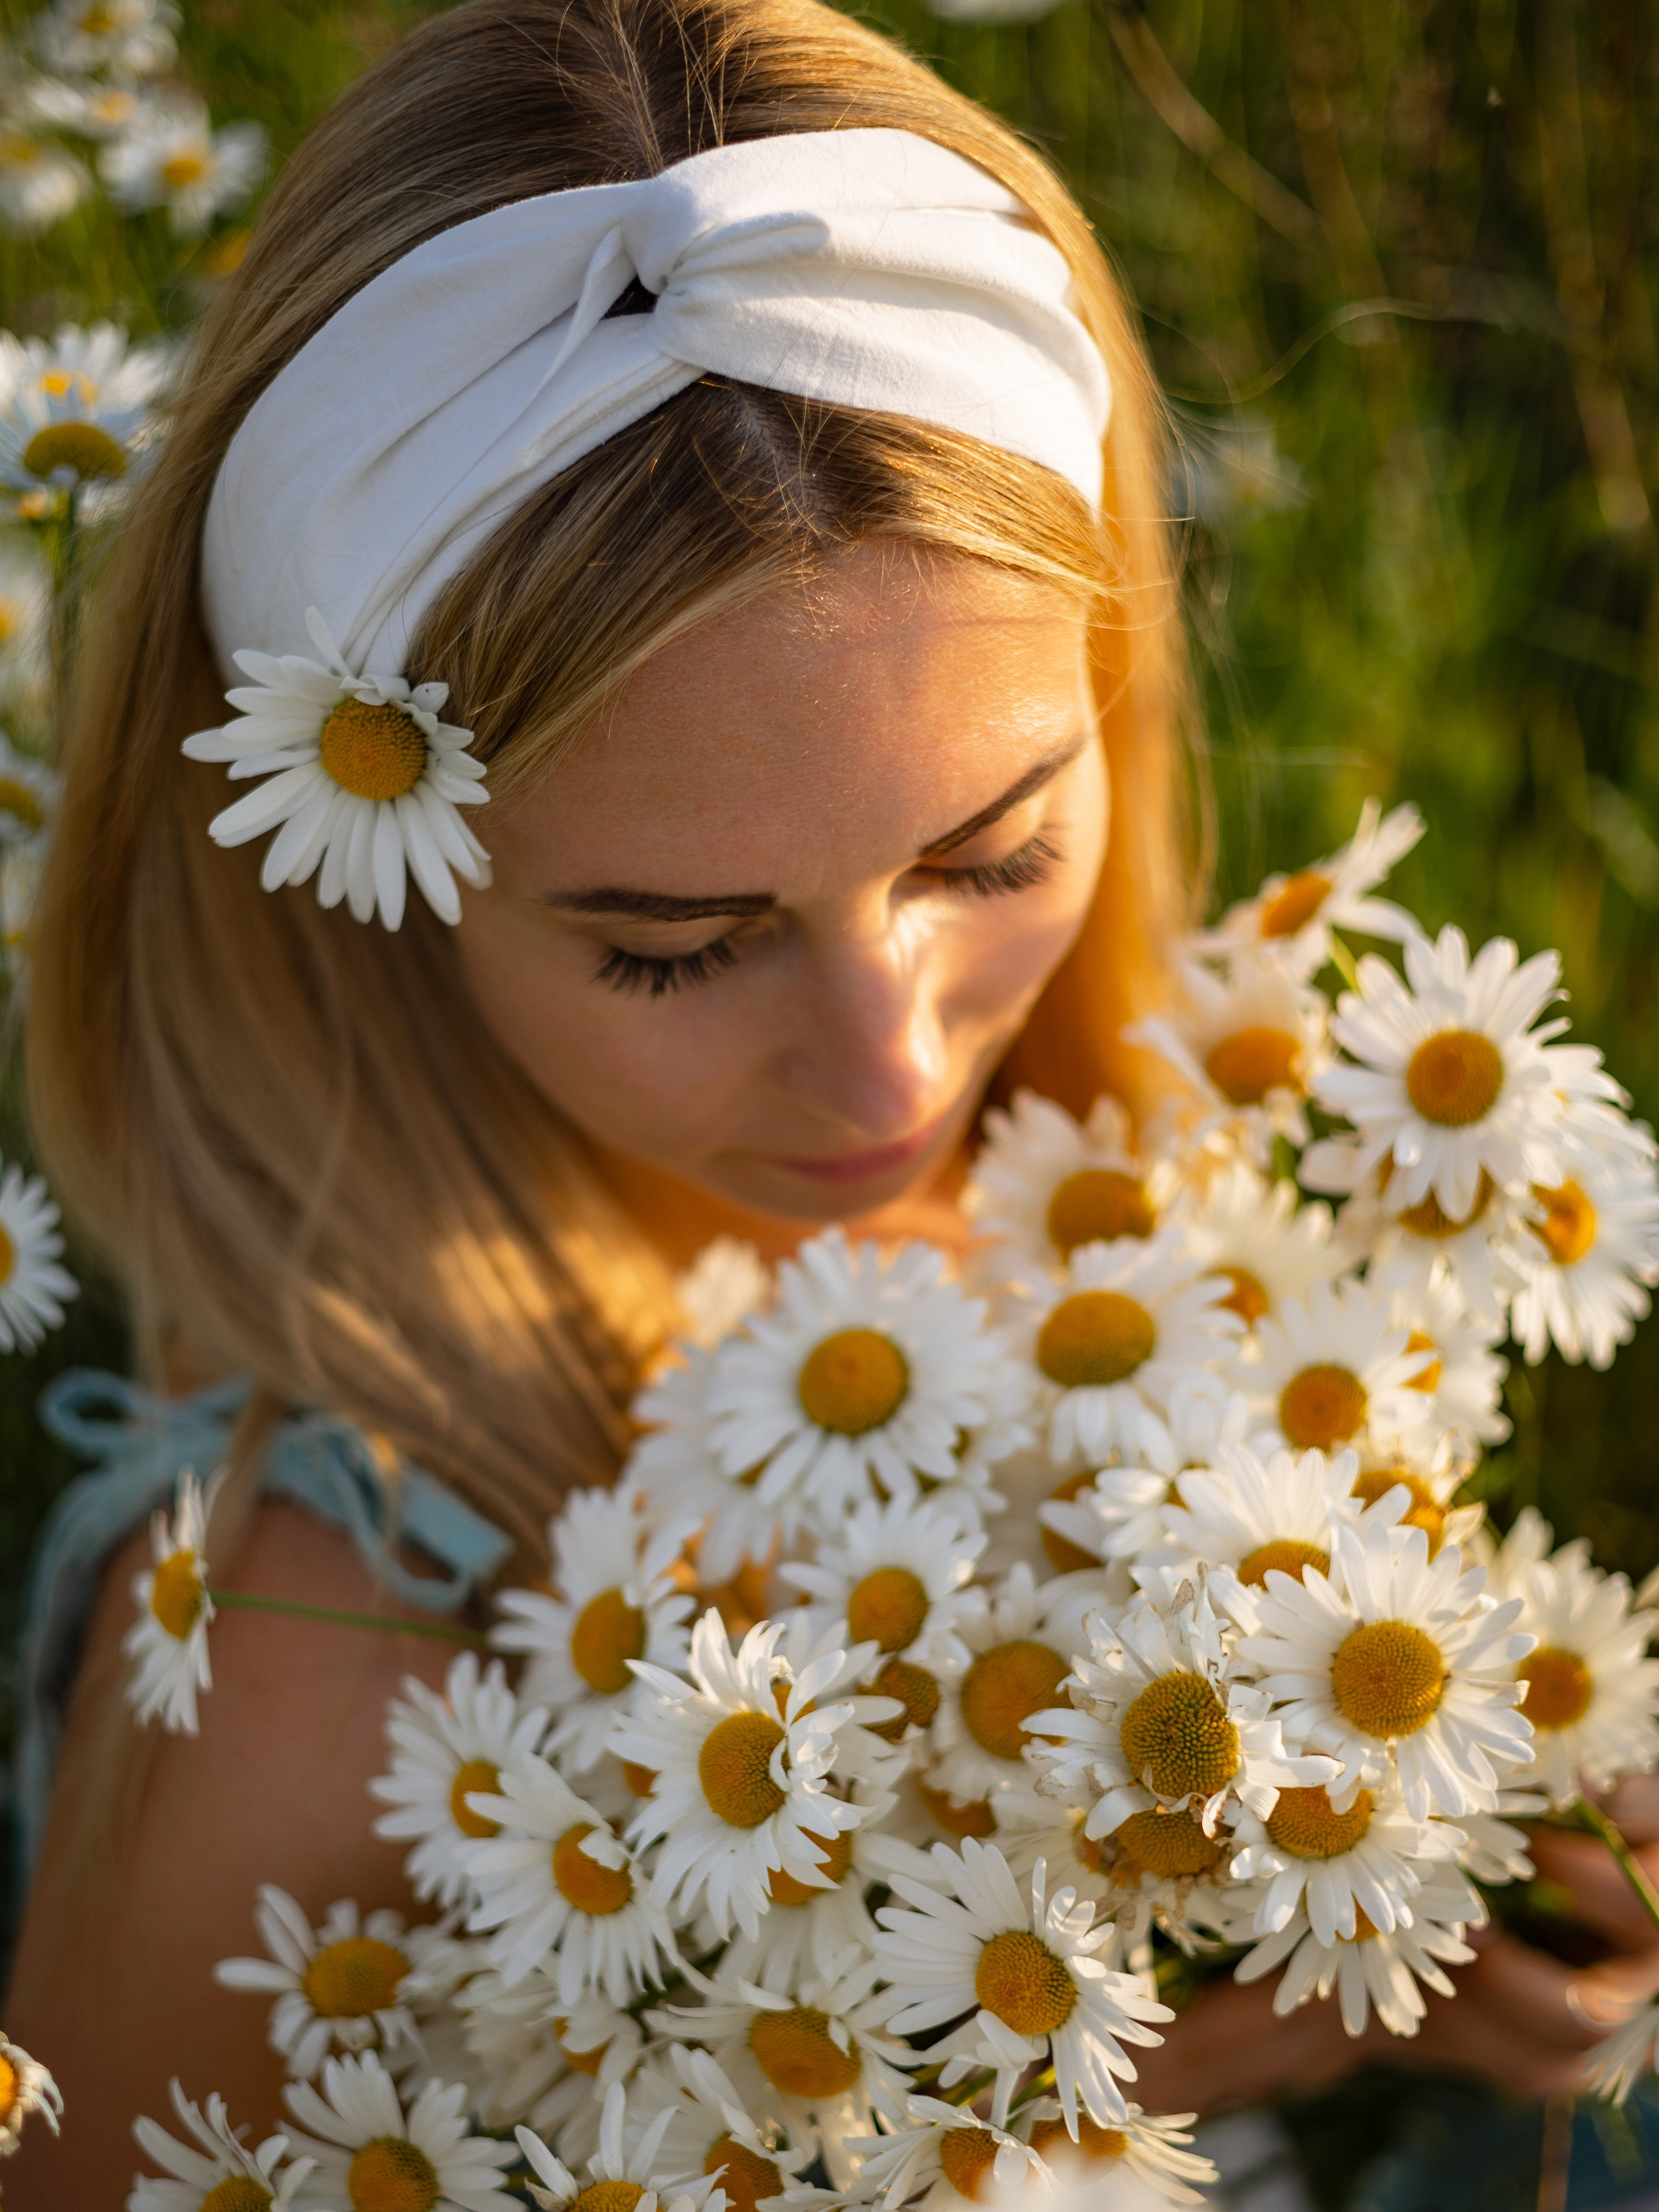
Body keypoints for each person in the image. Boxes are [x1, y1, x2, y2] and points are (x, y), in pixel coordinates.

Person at [6, 0, 1659, 2198]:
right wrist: (1049, 2096)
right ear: (353, 885)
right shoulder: (316, 1664)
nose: (898, 1062)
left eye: (990, 853)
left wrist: (1415, 1907)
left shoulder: (1179, 1213)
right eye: (675, 943)